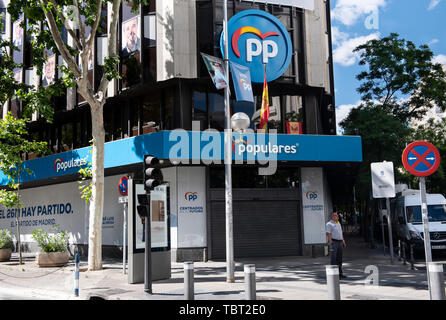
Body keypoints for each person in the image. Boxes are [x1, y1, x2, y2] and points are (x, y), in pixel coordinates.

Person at [326, 212, 347, 278]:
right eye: (336, 216)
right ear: (332, 217)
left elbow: (340, 233)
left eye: (337, 216)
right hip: (334, 242)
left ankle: (340, 273)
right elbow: (328, 234)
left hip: (340, 242)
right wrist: (331, 242)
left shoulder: (338, 223)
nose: (337, 217)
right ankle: (334, 275)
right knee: (333, 259)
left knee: (339, 258)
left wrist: (343, 241)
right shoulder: (329, 224)